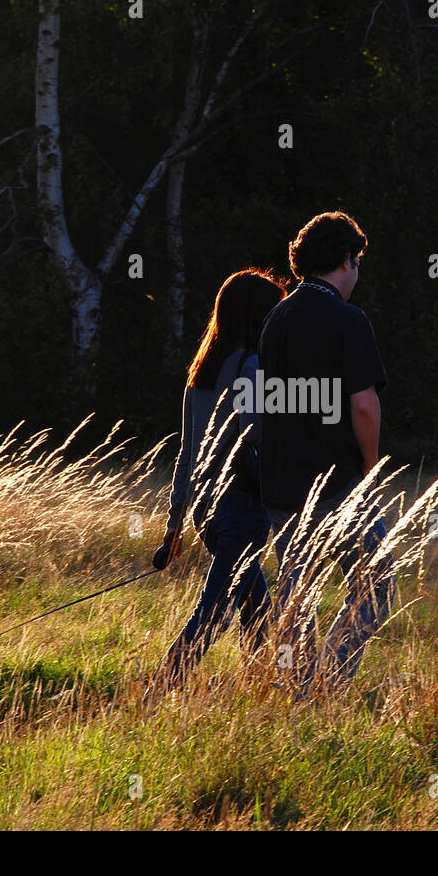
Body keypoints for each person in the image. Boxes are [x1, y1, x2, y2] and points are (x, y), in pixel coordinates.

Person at [258, 211, 393, 698]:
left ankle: (298, 696)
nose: (357, 274)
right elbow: (363, 403)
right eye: (357, 262)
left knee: (298, 597)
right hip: (336, 483)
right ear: (345, 261)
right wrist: (372, 466)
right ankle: (328, 687)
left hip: (280, 482)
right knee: (377, 588)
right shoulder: (348, 319)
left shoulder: (277, 317)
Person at [146, 269, 286, 703]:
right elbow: (256, 437)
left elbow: (186, 456)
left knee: (258, 609)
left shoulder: (199, 376)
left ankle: (259, 694)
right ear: (258, 316)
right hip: (242, 507)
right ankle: (154, 697)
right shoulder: (253, 367)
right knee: (213, 613)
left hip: (205, 510)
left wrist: (173, 527)